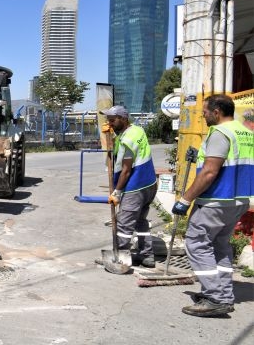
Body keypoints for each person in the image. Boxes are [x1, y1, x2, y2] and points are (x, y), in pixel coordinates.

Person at [171, 94, 253, 317]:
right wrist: (200, 155)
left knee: (197, 243)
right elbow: (230, 160)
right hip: (238, 200)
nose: (203, 116)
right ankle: (224, 294)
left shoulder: (219, 132)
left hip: (216, 199)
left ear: (217, 112)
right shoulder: (245, 131)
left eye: (205, 112)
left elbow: (209, 172)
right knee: (220, 245)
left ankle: (215, 296)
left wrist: (185, 199)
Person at [101, 105, 158, 268]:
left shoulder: (127, 139)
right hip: (149, 183)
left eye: (113, 120)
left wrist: (117, 192)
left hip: (135, 186)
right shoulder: (137, 130)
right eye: (108, 121)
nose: (110, 124)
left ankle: (119, 257)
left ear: (124, 119)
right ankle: (147, 255)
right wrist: (110, 136)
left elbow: (126, 170)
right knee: (141, 221)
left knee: (123, 224)